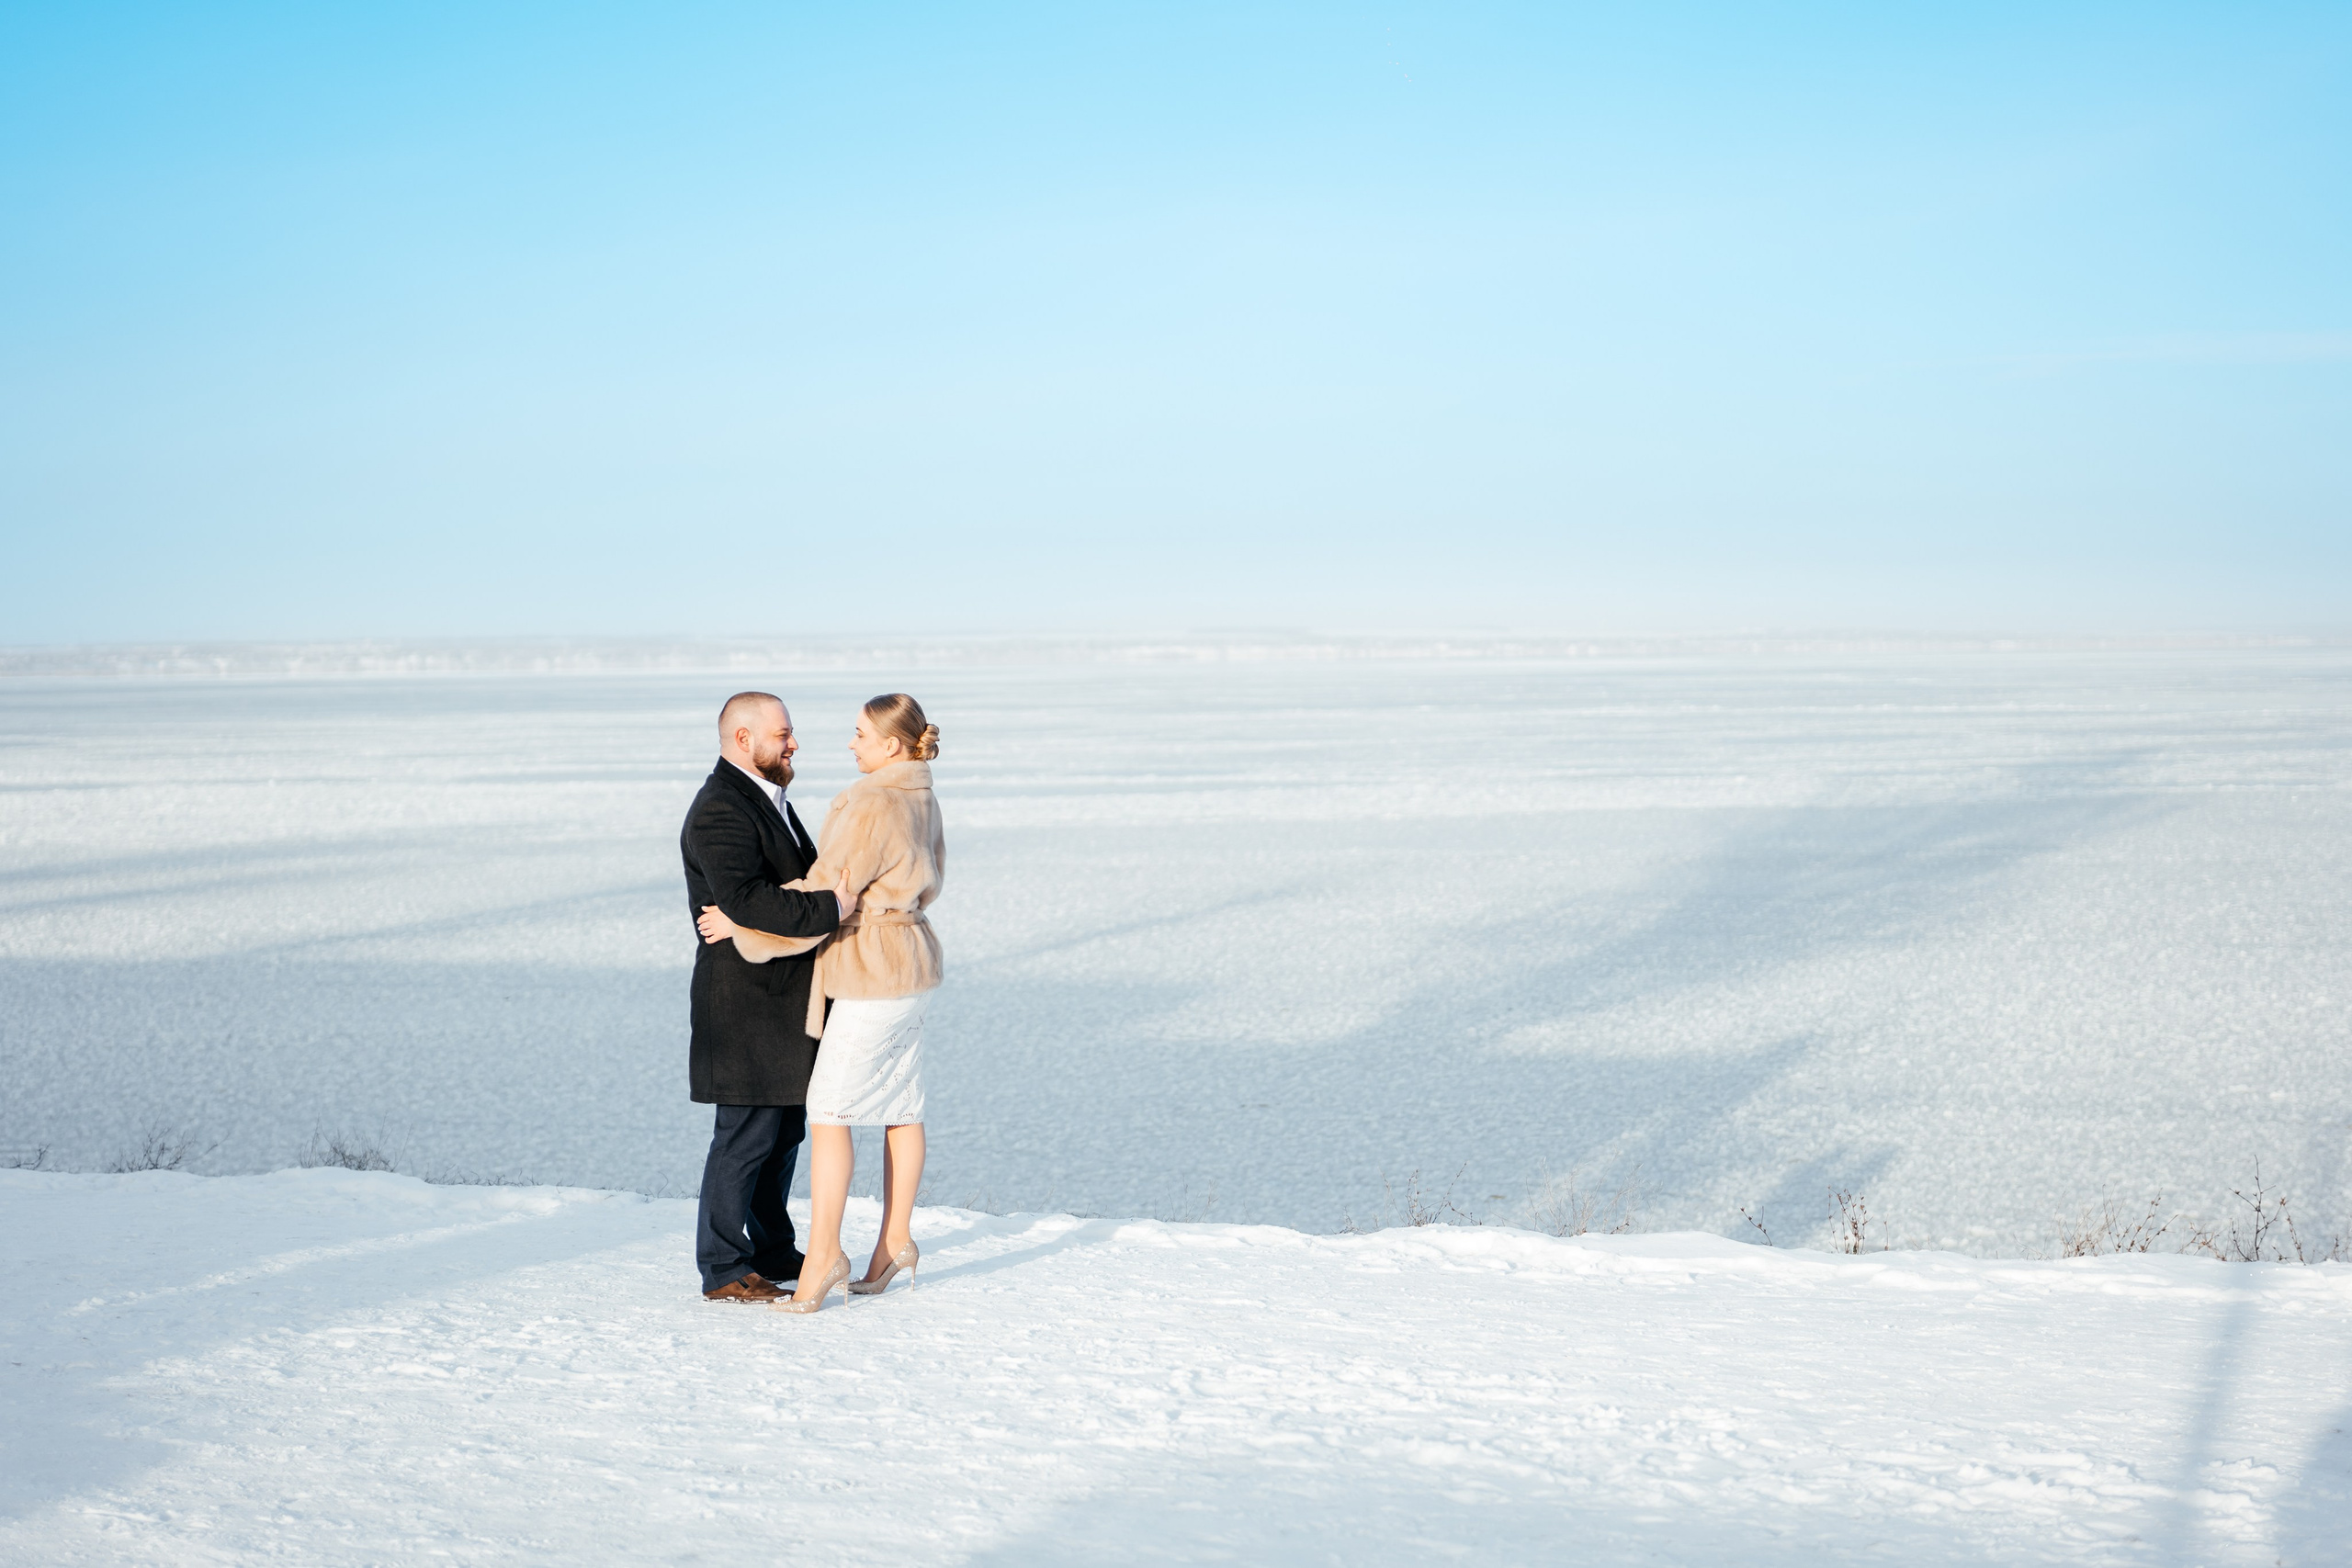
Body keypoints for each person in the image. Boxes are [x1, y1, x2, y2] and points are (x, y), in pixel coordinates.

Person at [697, 693, 944, 1313]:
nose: (846, 743)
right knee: (900, 1104)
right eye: (786, 733)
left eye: (860, 733)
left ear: (890, 745)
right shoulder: (918, 791)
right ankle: (892, 1241)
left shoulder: (868, 800)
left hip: (869, 967)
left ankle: (823, 1256)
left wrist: (742, 928)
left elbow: (828, 888)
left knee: (828, 1112)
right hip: (910, 962)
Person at [679, 692, 862, 1303]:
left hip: (781, 1000)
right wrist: (832, 908)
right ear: (742, 739)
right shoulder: (720, 810)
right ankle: (725, 1266)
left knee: (782, 1134)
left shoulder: (765, 799)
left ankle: (772, 1247)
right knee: (744, 1135)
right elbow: (750, 900)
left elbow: (783, 887)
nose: (794, 742)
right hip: (745, 1006)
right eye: (782, 733)